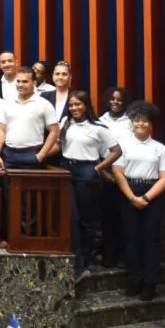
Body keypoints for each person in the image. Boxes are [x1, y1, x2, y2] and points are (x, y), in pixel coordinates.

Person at [57, 91, 122, 280]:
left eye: (78, 104)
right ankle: (74, 261)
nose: (74, 108)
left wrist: (99, 167)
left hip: (87, 171)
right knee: (71, 217)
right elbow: (60, 146)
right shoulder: (65, 123)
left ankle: (84, 261)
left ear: (86, 105)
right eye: (71, 105)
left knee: (87, 219)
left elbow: (116, 151)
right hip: (66, 168)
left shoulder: (99, 127)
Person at [112, 101, 165, 301]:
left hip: (152, 194)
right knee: (131, 239)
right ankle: (134, 280)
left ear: (151, 124)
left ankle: (150, 283)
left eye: (145, 121)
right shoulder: (124, 145)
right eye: (137, 121)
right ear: (132, 123)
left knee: (150, 240)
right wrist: (132, 197)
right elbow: (118, 173)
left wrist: (146, 197)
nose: (140, 124)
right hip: (128, 192)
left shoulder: (160, 148)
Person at [0, 67, 59, 170]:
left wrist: (41, 155)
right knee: (6, 185)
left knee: (31, 186)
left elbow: (54, 131)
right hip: (8, 154)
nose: (20, 85)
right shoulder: (8, 103)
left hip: (32, 153)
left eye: (25, 81)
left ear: (34, 83)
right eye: (18, 81)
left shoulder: (44, 104)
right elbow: (1, 130)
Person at [99, 86, 133, 266]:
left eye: (119, 99)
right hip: (106, 171)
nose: (115, 102)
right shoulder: (100, 120)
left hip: (127, 172)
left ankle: (123, 255)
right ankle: (108, 255)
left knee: (125, 216)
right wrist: (104, 172)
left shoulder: (131, 121)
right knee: (108, 217)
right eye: (112, 99)